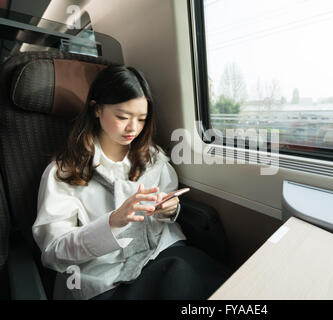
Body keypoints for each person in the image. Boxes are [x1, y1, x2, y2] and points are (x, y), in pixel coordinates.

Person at [32, 65, 229, 300]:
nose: (133, 128)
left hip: (162, 253)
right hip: (104, 275)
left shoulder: (153, 157)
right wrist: (112, 222)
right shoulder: (64, 173)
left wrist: (168, 209)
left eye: (141, 119)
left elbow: (165, 206)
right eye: (122, 117)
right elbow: (54, 252)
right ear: (96, 110)